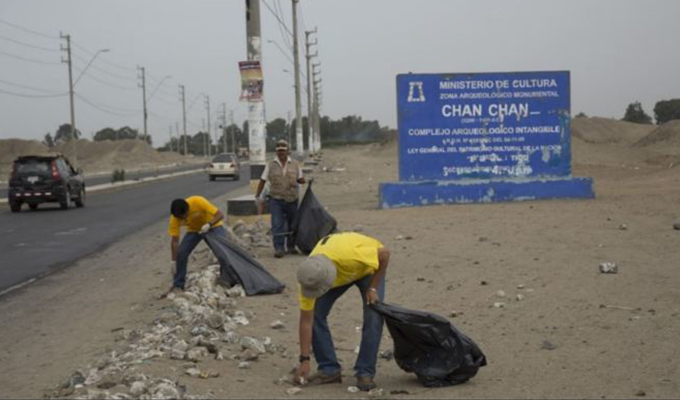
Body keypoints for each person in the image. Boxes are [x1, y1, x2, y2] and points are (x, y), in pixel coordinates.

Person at [293, 232, 390, 392]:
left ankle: (365, 372)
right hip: (339, 271)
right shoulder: (309, 279)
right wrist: (304, 360)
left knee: (373, 316)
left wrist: (373, 287)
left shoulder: (351, 258)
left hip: (366, 269)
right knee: (316, 314)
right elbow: (306, 321)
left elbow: (385, 254)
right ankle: (329, 369)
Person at [165, 196, 226, 295]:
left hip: (213, 226)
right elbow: (175, 241)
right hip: (194, 230)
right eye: (181, 218)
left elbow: (220, 215)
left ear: (188, 209)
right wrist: (174, 261)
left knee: (223, 250)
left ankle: (227, 278)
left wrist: (209, 224)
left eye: (184, 216)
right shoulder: (175, 218)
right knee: (181, 254)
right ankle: (178, 284)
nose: (183, 219)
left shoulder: (198, 202)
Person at [255, 139, 305, 258]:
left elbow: (300, 179)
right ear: (276, 152)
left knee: (293, 223)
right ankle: (279, 248)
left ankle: (291, 246)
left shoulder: (295, 164)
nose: (281, 153)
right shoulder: (270, 164)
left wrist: (304, 181)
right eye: (279, 151)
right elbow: (262, 180)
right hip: (276, 199)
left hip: (292, 199)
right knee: (277, 224)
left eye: (283, 150)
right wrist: (257, 195)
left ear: (288, 151)